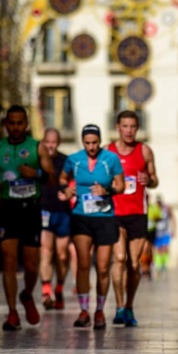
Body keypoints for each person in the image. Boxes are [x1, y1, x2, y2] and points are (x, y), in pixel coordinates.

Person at [0, 105, 55, 331]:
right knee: (8, 260)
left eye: (19, 123)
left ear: (26, 124)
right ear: (6, 124)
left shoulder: (38, 147)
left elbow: (51, 179)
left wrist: (35, 174)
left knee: (32, 265)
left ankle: (27, 295)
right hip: (7, 209)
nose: (15, 127)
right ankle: (12, 312)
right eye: (11, 123)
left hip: (31, 209)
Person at [59, 124, 124, 329]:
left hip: (105, 217)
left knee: (103, 267)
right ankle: (84, 310)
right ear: (82, 142)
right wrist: (66, 189)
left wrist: (107, 190)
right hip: (81, 216)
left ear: (100, 140)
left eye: (95, 142)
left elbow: (121, 186)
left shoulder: (111, 159)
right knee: (83, 264)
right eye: (87, 143)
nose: (91, 147)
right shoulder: (74, 159)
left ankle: (100, 311)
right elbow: (62, 178)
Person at [107, 110, 159, 327]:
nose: (129, 131)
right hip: (114, 213)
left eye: (132, 127)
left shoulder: (144, 151)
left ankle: (129, 306)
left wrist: (149, 179)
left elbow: (155, 180)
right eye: (125, 126)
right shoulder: (107, 152)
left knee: (134, 263)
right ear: (118, 127)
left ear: (137, 128)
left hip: (138, 213)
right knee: (119, 258)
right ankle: (119, 306)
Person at [39, 128, 72, 310]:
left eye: (54, 142)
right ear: (43, 142)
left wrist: (69, 193)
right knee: (46, 251)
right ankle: (46, 291)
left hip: (63, 211)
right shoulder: (37, 161)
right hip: (44, 210)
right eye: (48, 141)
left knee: (62, 254)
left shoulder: (66, 161)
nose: (50, 145)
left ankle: (58, 288)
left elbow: (73, 184)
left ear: (58, 143)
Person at [153, 195, 175, 276]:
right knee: (158, 249)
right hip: (157, 233)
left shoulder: (166, 208)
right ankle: (158, 265)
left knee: (165, 248)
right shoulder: (154, 208)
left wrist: (174, 229)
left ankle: (164, 265)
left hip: (165, 232)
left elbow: (173, 218)